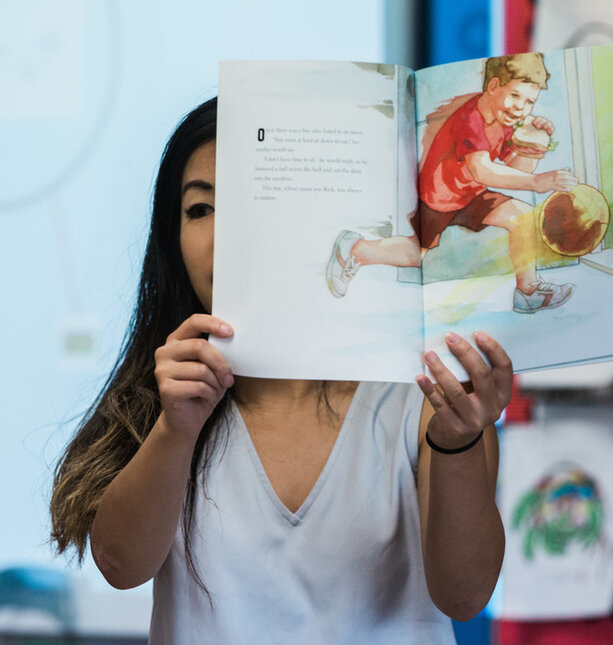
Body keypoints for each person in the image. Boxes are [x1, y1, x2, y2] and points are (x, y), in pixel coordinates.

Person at [50, 97, 510, 644]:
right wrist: (176, 428)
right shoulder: (171, 398)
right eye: (200, 210)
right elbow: (121, 567)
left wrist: (459, 441)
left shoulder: (420, 394)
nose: (226, 237)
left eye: (254, 205)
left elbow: (464, 596)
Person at [325, 53, 579, 314]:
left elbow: (514, 169)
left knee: (522, 216)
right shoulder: (471, 119)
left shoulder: (505, 121)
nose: (521, 108)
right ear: (492, 87)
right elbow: (481, 169)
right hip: (440, 197)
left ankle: (528, 292)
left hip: (471, 192)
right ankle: (354, 249)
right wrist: (537, 182)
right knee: (416, 255)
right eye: (515, 96)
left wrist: (534, 145)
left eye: (529, 102)